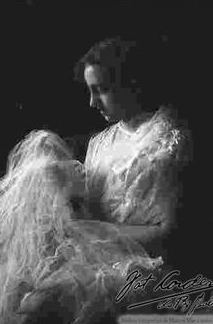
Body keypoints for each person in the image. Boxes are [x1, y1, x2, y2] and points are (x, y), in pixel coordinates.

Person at [0, 130, 163, 324]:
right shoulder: (54, 173)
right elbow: (61, 223)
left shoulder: (60, 176)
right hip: (66, 241)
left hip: (71, 237)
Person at [74, 36, 190, 250]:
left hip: (150, 259)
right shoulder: (99, 143)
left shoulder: (169, 139)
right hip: (97, 254)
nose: (92, 103)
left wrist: (97, 233)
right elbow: (89, 211)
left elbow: (168, 231)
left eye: (101, 89)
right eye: (90, 91)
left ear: (129, 83)